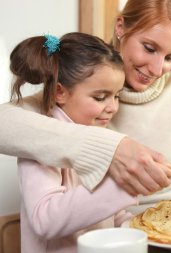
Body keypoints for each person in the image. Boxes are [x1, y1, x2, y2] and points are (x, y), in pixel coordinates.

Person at [0, 0, 171, 214]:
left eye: (170, 58)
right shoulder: (84, 83)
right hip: (113, 235)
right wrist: (113, 149)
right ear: (121, 27)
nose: (156, 69)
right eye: (149, 48)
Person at [11, 32, 140, 253]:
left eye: (117, 96)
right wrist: (123, 185)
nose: (113, 107)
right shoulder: (38, 142)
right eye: (100, 97)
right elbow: (45, 220)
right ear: (60, 92)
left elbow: (111, 214)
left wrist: (137, 228)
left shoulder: (100, 135)